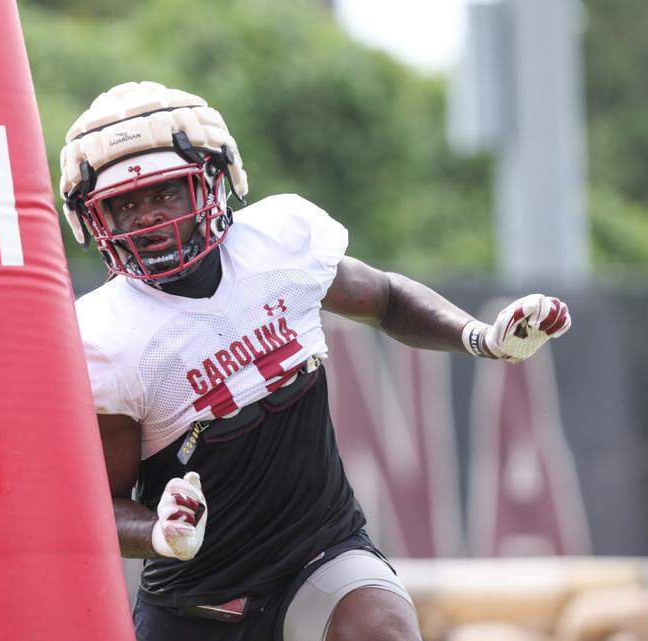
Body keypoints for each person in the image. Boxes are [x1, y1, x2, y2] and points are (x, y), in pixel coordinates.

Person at [58, 82, 572, 641]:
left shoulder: (279, 245)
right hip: (199, 607)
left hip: (320, 554)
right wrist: (159, 529)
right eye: (124, 205)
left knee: (383, 631)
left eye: (165, 194)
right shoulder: (106, 336)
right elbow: (99, 504)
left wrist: (481, 337)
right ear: (95, 219)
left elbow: (388, 299)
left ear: (212, 181)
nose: (147, 219)